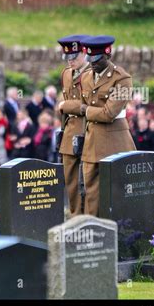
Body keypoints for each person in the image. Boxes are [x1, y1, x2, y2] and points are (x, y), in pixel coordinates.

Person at [79, 35, 136, 216]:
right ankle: (93, 229)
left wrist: (83, 109)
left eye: (97, 59)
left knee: (118, 191)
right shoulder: (86, 77)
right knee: (91, 191)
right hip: (91, 142)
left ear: (108, 54)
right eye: (90, 59)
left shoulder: (122, 79)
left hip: (115, 142)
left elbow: (109, 113)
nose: (92, 63)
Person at [57, 34, 91, 216]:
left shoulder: (92, 74)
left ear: (85, 53)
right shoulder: (66, 74)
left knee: (88, 183)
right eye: (67, 57)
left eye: (74, 57)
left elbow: (92, 106)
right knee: (71, 182)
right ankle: (76, 217)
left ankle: (89, 218)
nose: (70, 61)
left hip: (89, 131)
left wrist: (66, 106)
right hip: (70, 134)